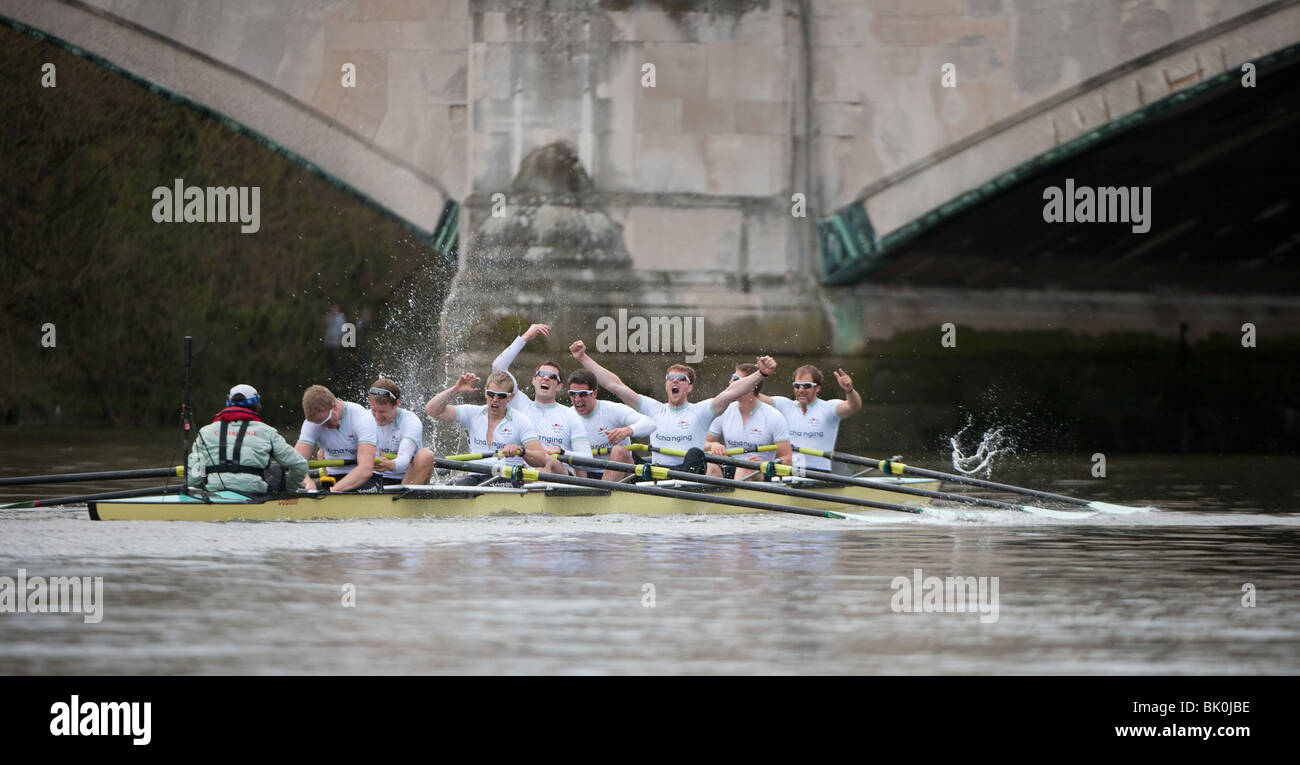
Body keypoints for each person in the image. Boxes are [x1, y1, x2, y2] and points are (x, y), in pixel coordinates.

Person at [569, 339, 775, 476]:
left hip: (687, 472)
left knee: (696, 453)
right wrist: (582, 358)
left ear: (689, 387)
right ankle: (605, 497)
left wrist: (761, 374)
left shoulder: (701, 410)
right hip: (656, 472)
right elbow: (615, 385)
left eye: (681, 379)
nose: (675, 381)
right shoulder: (653, 408)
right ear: (666, 384)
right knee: (620, 451)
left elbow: (731, 393)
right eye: (671, 378)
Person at [406, 371, 552, 485]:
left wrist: (522, 451)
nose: (495, 400)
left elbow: (541, 460)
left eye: (501, 396)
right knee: (452, 487)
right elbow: (432, 410)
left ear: (510, 397)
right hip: (474, 476)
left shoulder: (521, 421)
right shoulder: (472, 413)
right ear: (485, 392)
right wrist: (456, 389)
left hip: (504, 477)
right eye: (491, 394)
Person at [490, 323, 591, 474]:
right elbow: (498, 367)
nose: (545, 379)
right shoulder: (521, 404)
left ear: (558, 386)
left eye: (551, 377)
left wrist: (561, 451)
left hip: (559, 476)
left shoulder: (570, 415)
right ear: (533, 381)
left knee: (545, 460)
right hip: (523, 473)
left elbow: (587, 460)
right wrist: (526, 336)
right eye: (541, 375)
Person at [187, 384, 308, 494]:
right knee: (276, 470)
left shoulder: (205, 432)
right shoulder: (267, 432)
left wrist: (204, 487)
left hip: (215, 493)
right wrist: (287, 491)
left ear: (228, 402)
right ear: (256, 404)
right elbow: (300, 465)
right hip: (254, 494)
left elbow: (194, 478)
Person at [758, 366, 862, 473]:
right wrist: (759, 374)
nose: (801, 390)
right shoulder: (785, 405)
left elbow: (853, 406)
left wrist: (849, 390)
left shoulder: (828, 408)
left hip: (818, 474)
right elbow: (755, 397)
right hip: (788, 472)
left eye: (806, 386)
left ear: (817, 388)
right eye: (797, 386)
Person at [566, 369, 656, 481]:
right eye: (572, 394)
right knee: (570, 458)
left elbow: (650, 423)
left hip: (623, 472)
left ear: (594, 393)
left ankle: (601, 495)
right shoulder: (567, 415)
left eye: (583, 394)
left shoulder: (612, 410)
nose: (577, 399)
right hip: (587, 473)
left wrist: (627, 431)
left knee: (618, 450)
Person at [707, 363, 792, 480]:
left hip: (760, 472)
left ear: (751, 385)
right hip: (732, 467)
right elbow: (703, 444)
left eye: (736, 379)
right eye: (732, 377)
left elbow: (787, 459)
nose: (730, 382)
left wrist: (766, 464)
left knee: (745, 468)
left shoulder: (774, 416)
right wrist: (713, 445)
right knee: (710, 465)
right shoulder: (724, 411)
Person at [295, 384, 380, 492]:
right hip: (333, 477)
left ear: (334, 406)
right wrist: (308, 484)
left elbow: (365, 470)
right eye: (319, 424)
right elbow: (296, 464)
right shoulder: (312, 423)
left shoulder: (361, 417)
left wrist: (332, 492)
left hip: (366, 478)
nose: (324, 427)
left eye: (326, 422)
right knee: (294, 489)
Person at [365, 378, 426, 485]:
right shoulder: (364, 418)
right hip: (372, 477)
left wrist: (389, 465)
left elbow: (404, 457)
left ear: (397, 404)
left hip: (404, 479)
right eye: (374, 410)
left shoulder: (411, 421)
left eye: (383, 411)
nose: (377, 417)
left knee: (426, 455)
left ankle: (407, 498)